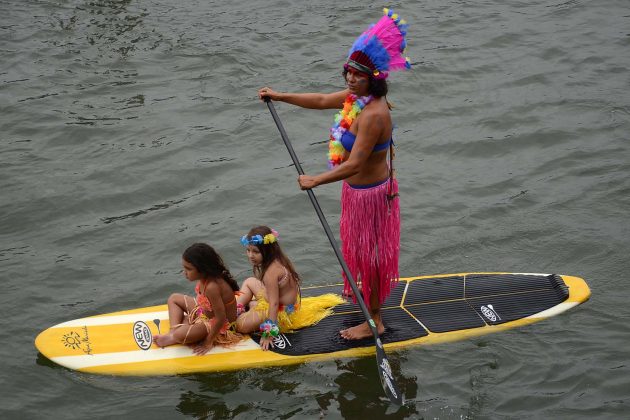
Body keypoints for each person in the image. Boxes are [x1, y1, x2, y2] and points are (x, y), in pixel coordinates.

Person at [258, 9, 411, 340]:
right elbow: (322, 99)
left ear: (374, 78)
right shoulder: (357, 100)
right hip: (356, 194)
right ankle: (369, 308)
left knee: (370, 261)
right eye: (348, 73)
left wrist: (315, 179)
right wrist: (280, 96)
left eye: (358, 76)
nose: (350, 80)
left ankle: (375, 322)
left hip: (372, 196)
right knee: (358, 256)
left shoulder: (373, 114)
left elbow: (355, 164)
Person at [235, 226, 344, 350]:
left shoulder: (270, 273)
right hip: (283, 303)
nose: (250, 255)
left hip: (282, 313)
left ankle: (248, 308)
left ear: (267, 251)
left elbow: (274, 304)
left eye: (255, 252)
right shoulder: (278, 259)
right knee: (249, 281)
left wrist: (269, 334)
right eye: (248, 250)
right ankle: (241, 308)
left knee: (239, 326)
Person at [154, 243, 242, 354]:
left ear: (202, 269)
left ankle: (174, 336)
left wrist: (208, 342)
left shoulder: (212, 287)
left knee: (180, 335)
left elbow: (221, 319)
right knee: (174, 298)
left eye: (188, 269)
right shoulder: (204, 278)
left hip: (221, 327)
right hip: (204, 314)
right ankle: (172, 333)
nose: (184, 272)